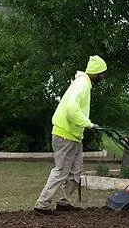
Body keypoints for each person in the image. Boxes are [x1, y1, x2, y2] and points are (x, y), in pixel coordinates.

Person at [33, 55, 107, 215]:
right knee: (61, 171)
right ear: (94, 72)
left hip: (74, 137)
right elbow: (71, 109)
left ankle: (64, 202)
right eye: (101, 73)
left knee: (75, 172)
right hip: (65, 135)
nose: (102, 77)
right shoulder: (81, 84)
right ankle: (42, 204)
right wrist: (89, 124)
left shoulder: (84, 84)